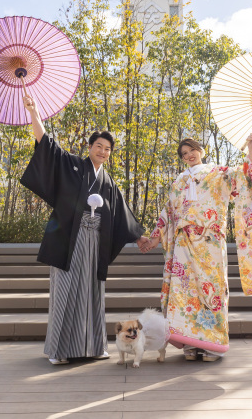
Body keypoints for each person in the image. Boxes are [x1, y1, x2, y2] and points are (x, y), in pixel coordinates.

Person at [20, 94, 148, 365]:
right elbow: (47, 146)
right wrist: (34, 112)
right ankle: (59, 350)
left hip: (96, 243)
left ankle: (92, 347)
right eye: (99, 146)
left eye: (108, 149)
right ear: (89, 147)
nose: (103, 151)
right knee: (65, 293)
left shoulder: (109, 182)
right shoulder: (72, 165)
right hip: (70, 240)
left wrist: (140, 236)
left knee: (92, 294)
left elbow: (122, 213)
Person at [139, 134, 252, 361]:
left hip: (210, 241)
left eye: (191, 150)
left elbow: (244, 176)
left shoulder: (218, 172)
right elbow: (169, 212)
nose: (188, 156)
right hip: (183, 242)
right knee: (184, 292)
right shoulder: (179, 181)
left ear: (201, 150)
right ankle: (189, 343)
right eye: (184, 154)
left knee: (211, 289)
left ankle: (212, 345)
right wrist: (155, 238)